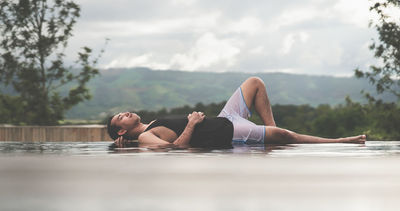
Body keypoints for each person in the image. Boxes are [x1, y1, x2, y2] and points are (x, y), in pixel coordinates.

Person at [107, 77, 367, 147]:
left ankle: (270, 134)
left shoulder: (142, 134)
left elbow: (149, 146)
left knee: (255, 82)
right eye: (121, 117)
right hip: (228, 131)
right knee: (285, 134)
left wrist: (124, 144)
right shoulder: (143, 137)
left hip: (223, 119)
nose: (125, 112)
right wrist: (191, 125)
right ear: (121, 129)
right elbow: (174, 149)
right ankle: (340, 141)